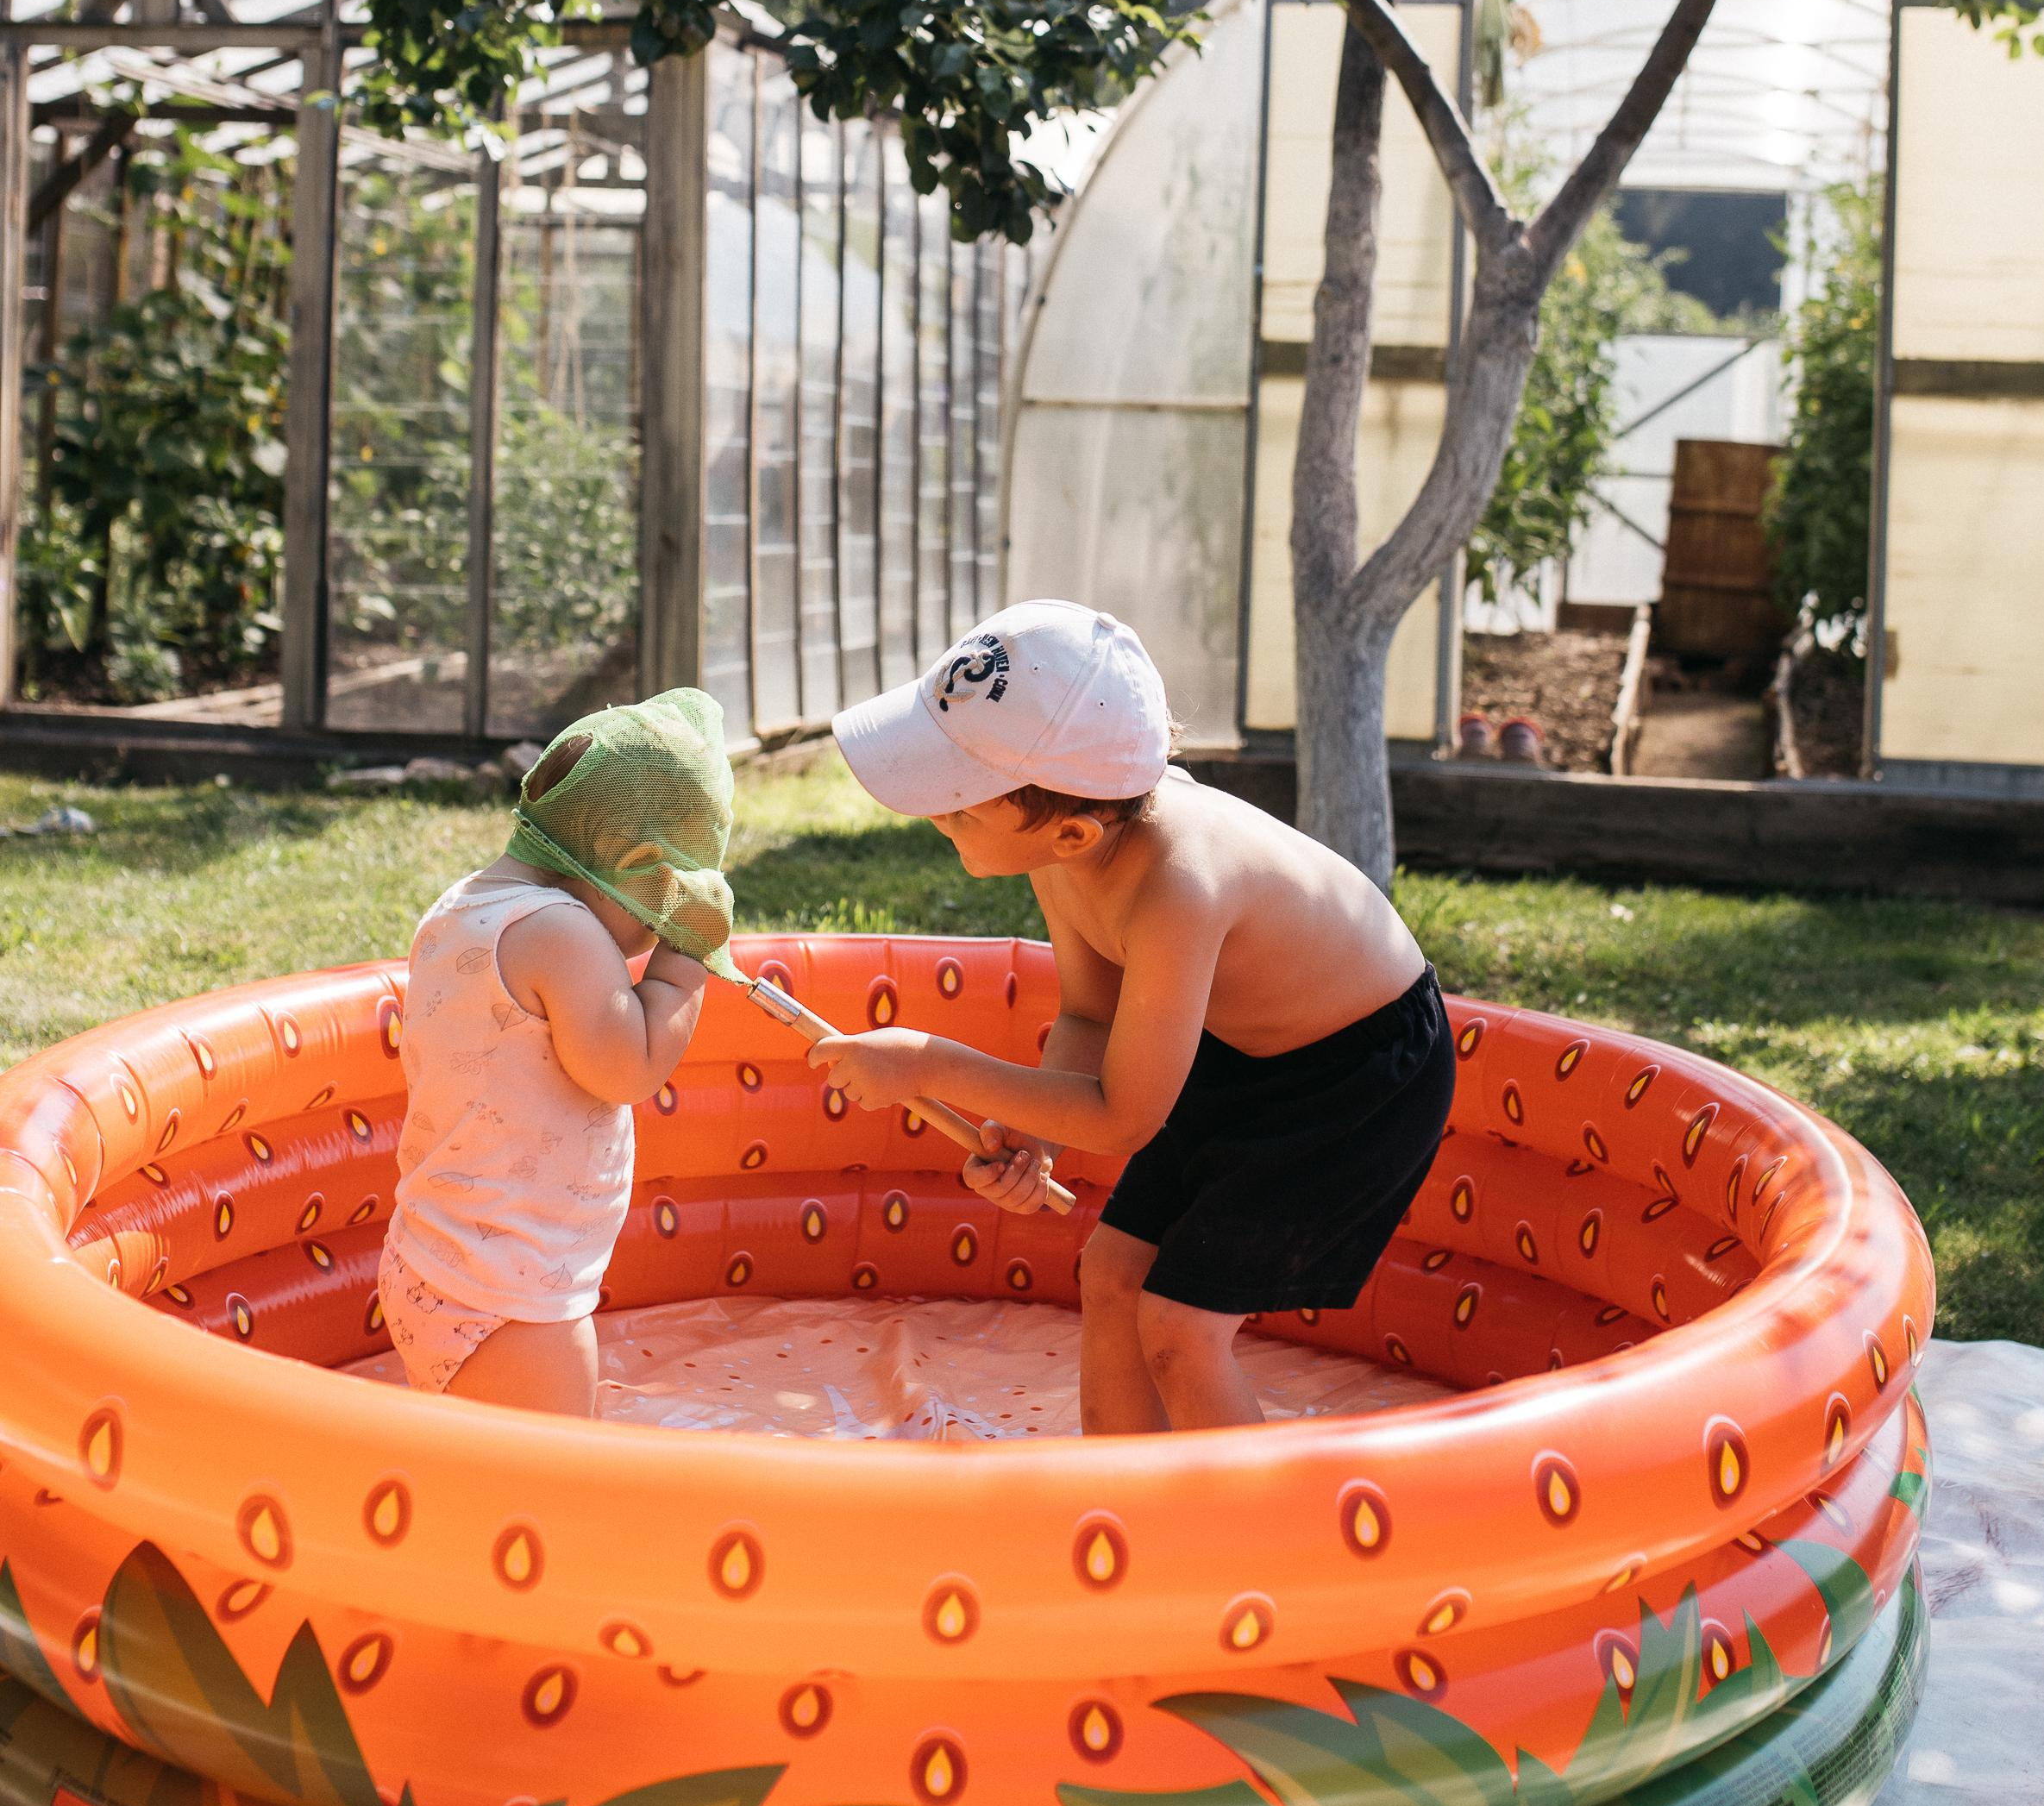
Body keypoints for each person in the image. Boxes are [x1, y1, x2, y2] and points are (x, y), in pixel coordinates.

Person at [818, 602, 1455, 1433]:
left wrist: (929, 1064)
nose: (936, 812)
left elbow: (1123, 1118)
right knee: (1111, 1277)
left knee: (1180, 1330)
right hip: (1240, 1049)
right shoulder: (1070, 842)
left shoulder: (1178, 887)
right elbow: (1090, 1012)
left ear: (1076, 829)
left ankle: (1266, 1552)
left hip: (1356, 1082)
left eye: (961, 801)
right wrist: (1033, 1127)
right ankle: (1118, 1518)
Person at [377, 687, 734, 1416]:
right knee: (550, 1498)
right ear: (633, 868)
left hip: (439, 1259)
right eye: (665, 902)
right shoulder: (561, 933)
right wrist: (688, 961)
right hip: (507, 1292)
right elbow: (627, 1067)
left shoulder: (466, 904)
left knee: (481, 1482)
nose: (659, 928)